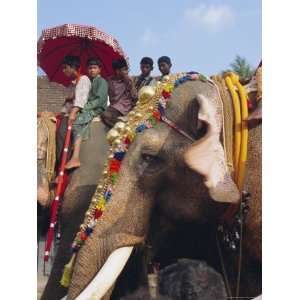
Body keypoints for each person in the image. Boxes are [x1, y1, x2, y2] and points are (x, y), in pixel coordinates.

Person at [65, 58, 108, 169]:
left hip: (96, 109)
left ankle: (75, 158)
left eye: (94, 68)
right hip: (89, 107)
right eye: (90, 68)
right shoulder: (89, 81)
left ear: (100, 70)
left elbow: (99, 100)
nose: (92, 70)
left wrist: (84, 108)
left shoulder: (102, 81)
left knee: (77, 122)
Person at [56, 55, 91, 170]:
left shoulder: (84, 79)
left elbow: (81, 99)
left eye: (65, 67)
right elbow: (67, 103)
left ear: (72, 67)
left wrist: (73, 112)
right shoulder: (72, 83)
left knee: (62, 132)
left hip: (78, 113)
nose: (63, 70)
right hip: (67, 113)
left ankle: (61, 167)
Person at [101, 58, 137, 127]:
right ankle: (120, 125)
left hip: (124, 108)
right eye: (124, 70)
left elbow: (135, 97)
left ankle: (123, 127)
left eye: (127, 69)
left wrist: (132, 84)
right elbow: (104, 95)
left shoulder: (129, 81)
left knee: (105, 115)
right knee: (102, 113)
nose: (126, 72)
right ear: (117, 71)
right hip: (113, 107)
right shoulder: (109, 80)